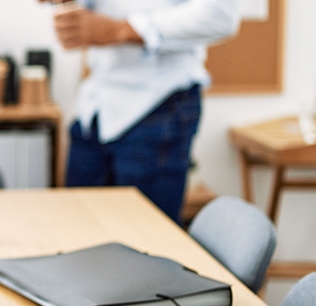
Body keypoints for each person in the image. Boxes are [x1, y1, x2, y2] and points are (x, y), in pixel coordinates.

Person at [49, 0, 238, 224]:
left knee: (148, 243)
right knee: (78, 231)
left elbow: (219, 15)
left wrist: (121, 29)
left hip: (158, 103)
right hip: (95, 106)